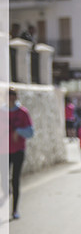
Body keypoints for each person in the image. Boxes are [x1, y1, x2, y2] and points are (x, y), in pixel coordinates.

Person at [8, 87, 34, 220]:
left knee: (15, 179)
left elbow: (30, 132)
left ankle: (14, 210)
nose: (11, 98)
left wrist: (18, 131)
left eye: (13, 96)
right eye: (9, 96)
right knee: (4, 180)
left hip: (18, 150)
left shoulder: (23, 113)